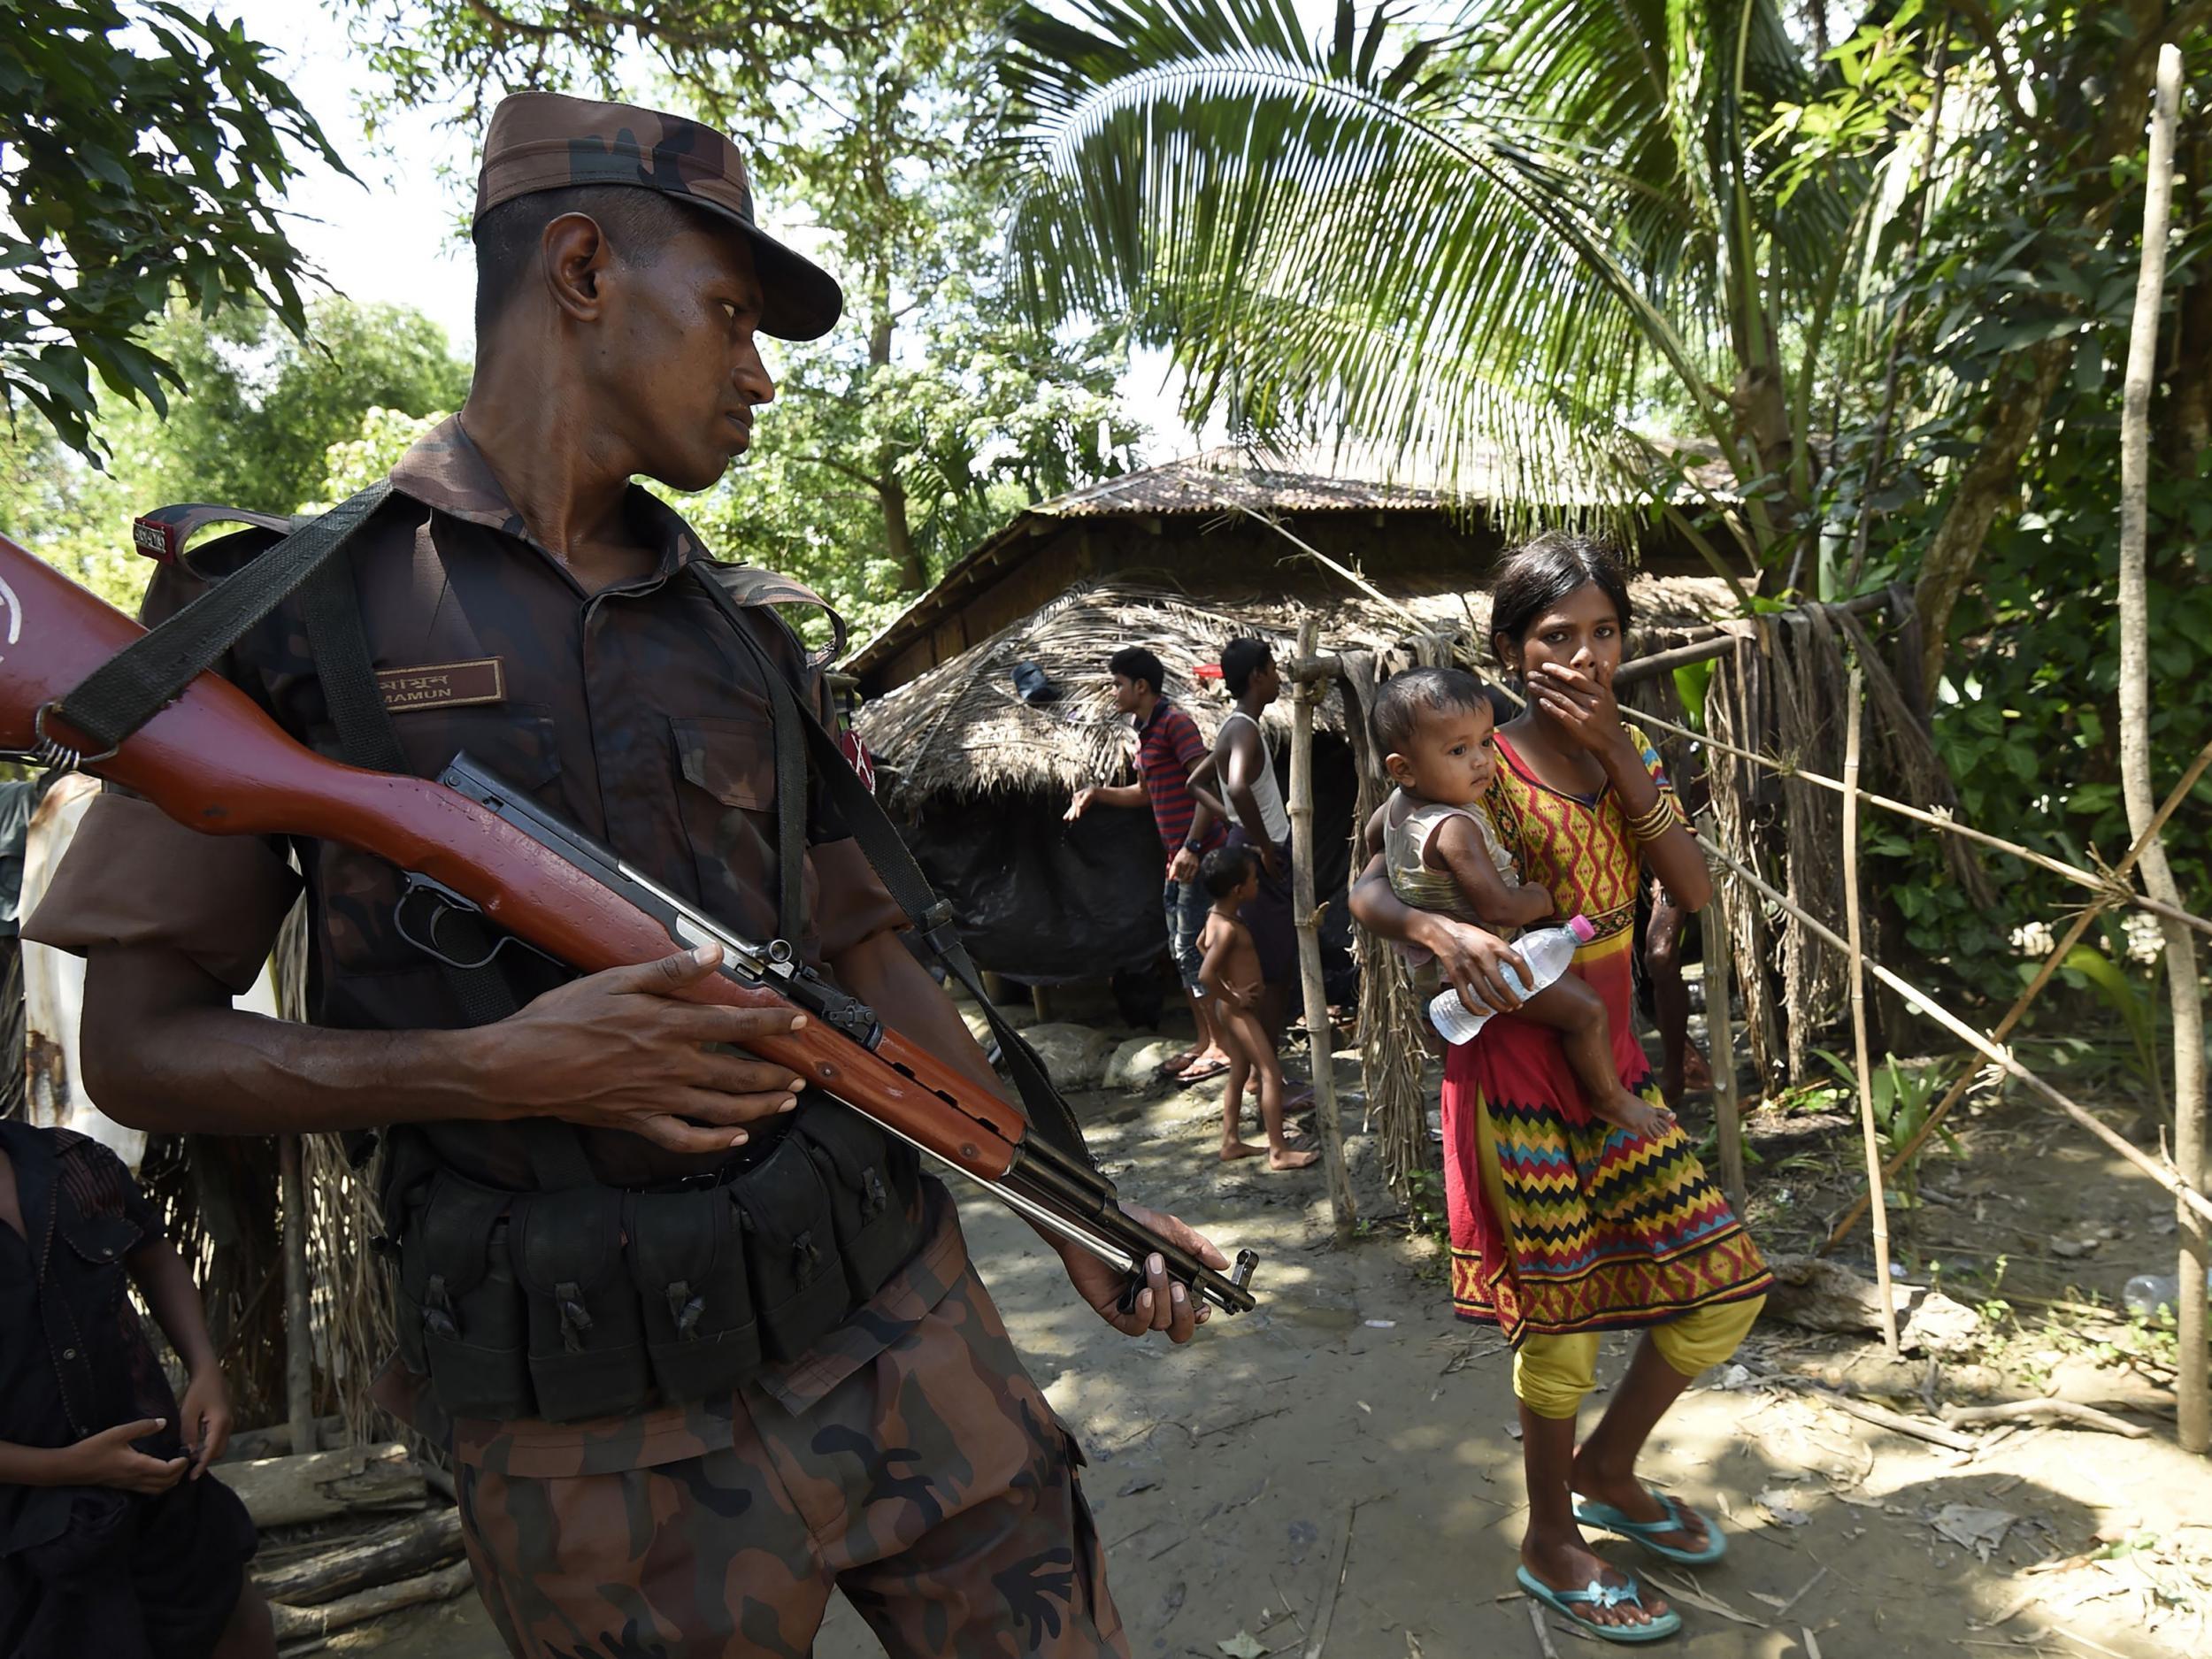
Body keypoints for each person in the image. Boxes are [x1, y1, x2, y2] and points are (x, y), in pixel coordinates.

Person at [27, 90, 1224, 1659]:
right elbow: (137, 1047)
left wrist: (1068, 1207)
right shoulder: (289, 615)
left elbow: (869, 965)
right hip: (581, 1417)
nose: (760, 373)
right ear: (581, 269)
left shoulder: (742, 633)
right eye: (729, 313)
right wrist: (489, 1070)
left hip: (892, 1316)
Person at [1348, 534, 1770, 1644]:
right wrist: (1433, 923)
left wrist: (1623, 758)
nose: (1584, 655)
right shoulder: (1474, 757)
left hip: (1612, 1066)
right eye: (1555, 636)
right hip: (1515, 1079)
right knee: (1564, 1328)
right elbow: (1369, 878)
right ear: (1508, 649)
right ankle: (1550, 1535)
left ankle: (1606, 1464)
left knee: (1723, 1291)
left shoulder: (1627, 757)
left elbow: (1691, 890)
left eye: (1604, 632)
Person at [0, 1121, 272, 1659]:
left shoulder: (74, 1162)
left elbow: (152, 1250)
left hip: (157, 1481)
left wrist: (204, 1368)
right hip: (25, 1536)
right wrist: (71, 1468)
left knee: (235, 1620)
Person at [1371, 665, 1672, 1141]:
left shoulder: (1394, 811)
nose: (1481, 762)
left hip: (1438, 972)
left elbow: (1377, 851)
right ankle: (1610, 1099)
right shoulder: (1456, 828)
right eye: (1458, 750)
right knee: (1587, 1011)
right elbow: (1499, 910)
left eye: (1486, 742)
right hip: (1486, 971)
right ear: (1402, 768)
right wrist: (1538, 898)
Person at [1065, 646, 1230, 1084]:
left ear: (1141, 686)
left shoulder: (1176, 723)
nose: (1114, 691)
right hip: (1176, 858)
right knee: (1181, 951)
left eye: (1118, 683)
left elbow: (1205, 787)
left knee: (1193, 948)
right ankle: (1204, 1040)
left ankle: (1223, 1047)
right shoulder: (1143, 729)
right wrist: (1097, 793)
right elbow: (1144, 793)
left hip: (1200, 854)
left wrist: (1193, 846)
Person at [1189, 639, 1297, 1041]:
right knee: (1274, 965)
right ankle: (1269, 1072)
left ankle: (1265, 1070)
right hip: (1262, 851)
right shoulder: (1243, 729)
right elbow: (1235, 787)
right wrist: (1265, 845)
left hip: (1247, 842)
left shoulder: (1233, 727)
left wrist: (1235, 824)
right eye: (1273, 669)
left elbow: (1195, 783)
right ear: (1258, 675)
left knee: (1273, 960)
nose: (1277, 678)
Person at [1195, 847, 1317, 1171]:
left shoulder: (1217, 918)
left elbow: (1199, 944)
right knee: (1271, 1073)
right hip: (1238, 1012)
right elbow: (1205, 974)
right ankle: (1278, 1150)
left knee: (1238, 1073)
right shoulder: (1229, 929)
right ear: (1238, 890)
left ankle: (1230, 1141)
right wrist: (1234, 997)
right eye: (1253, 880)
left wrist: (1229, 987)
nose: (1258, 885)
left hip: (1231, 1008)